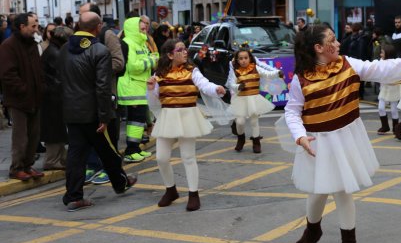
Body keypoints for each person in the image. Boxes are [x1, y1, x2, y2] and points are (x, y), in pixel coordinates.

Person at [284, 24, 401, 243]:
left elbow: (380, 68)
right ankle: (313, 230)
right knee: (318, 192)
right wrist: (300, 137)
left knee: (344, 189)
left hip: (344, 139)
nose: (338, 44)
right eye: (332, 40)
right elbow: (292, 111)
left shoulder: (348, 64)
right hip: (317, 142)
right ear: (319, 48)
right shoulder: (301, 79)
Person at [57, 11, 137, 211]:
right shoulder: (100, 50)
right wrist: (104, 116)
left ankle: (75, 195)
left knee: (77, 153)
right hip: (93, 112)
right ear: (98, 27)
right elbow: (102, 86)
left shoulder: (65, 48)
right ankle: (120, 182)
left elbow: (61, 79)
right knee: (108, 149)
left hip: (71, 110)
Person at [147, 40, 226, 211]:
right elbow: (153, 102)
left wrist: (216, 89)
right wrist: (150, 89)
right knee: (161, 157)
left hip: (188, 115)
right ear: (170, 55)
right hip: (168, 116)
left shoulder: (192, 71)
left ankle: (193, 193)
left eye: (185, 49)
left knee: (188, 157)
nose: (185, 52)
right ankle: (171, 190)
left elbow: (204, 85)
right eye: (180, 50)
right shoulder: (159, 73)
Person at [79, 3, 125, 184]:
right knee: (91, 131)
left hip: (106, 92)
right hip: (88, 94)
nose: (79, 18)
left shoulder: (108, 35)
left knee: (109, 133)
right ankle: (93, 165)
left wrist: (96, 71)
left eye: (83, 14)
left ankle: (111, 168)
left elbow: (118, 62)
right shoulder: (81, 38)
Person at [0, 13, 45, 181]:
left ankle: (28, 165)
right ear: (22, 27)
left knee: (34, 135)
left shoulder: (32, 44)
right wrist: (24, 89)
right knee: (20, 136)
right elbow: (7, 74)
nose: (36, 29)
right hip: (19, 99)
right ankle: (17, 168)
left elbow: (38, 69)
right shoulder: (8, 46)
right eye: (33, 26)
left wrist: (41, 86)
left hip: (35, 97)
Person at [226, 47, 283, 153]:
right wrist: (238, 87)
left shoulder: (256, 68)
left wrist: (277, 73)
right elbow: (231, 83)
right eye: (241, 58)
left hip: (254, 99)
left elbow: (267, 73)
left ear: (250, 58)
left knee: (254, 121)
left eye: (245, 58)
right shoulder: (236, 71)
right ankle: (241, 138)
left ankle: (256, 142)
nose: (243, 60)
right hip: (240, 99)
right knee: (240, 121)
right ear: (237, 60)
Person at [117, 17, 158, 162]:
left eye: (145, 28)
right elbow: (133, 67)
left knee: (139, 120)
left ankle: (135, 149)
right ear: (133, 28)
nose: (145, 30)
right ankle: (130, 151)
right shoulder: (128, 43)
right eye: (141, 28)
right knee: (135, 120)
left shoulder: (140, 43)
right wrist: (152, 60)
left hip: (139, 86)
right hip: (131, 87)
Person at [40, 26, 72, 170]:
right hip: (53, 98)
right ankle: (52, 160)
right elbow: (60, 77)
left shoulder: (54, 50)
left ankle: (60, 158)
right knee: (54, 130)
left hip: (52, 97)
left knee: (58, 129)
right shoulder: (55, 53)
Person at [376, 43, 401, 136]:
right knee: (380, 107)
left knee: (394, 110)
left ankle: (396, 128)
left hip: (394, 87)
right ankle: (385, 126)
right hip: (384, 87)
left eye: (382, 53)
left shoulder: (395, 63)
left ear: (388, 53)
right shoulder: (380, 62)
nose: (381, 55)